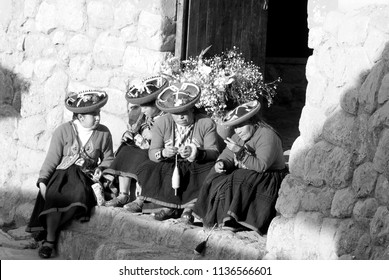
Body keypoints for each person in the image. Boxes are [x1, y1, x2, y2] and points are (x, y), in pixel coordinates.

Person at [25, 90, 114, 258]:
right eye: (93, 115)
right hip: (61, 177)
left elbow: (109, 158)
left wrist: (100, 169)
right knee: (54, 197)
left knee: (78, 197)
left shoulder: (103, 133)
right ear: (80, 117)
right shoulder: (63, 131)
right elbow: (52, 158)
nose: (98, 118)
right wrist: (43, 180)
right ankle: (50, 241)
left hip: (84, 178)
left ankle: (49, 238)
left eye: (98, 113)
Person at [125, 82, 219, 224]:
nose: (181, 117)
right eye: (176, 113)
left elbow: (214, 152)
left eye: (185, 112)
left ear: (192, 109)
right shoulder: (162, 122)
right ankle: (166, 207)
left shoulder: (206, 123)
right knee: (148, 167)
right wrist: (164, 153)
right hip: (170, 162)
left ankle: (190, 208)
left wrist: (196, 152)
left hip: (195, 163)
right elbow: (153, 152)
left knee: (209, 171)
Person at [193, 100, 287, 234]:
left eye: (241, 126)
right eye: (235, 127)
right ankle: (210, 215)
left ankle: (236, 219)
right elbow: (226, 155)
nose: (238, 131)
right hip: (249, 173)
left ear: (252, 122)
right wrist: (222, 163)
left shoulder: (267, 135)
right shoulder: (238, 136)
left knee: (239, 177)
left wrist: (240, 152)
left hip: (268, 178)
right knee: (215, 173)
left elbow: (261, 165)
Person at [103, 76, 168, 208]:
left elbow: (169, 137)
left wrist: (154, 135)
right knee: (125, 150)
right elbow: (135, 130)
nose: (142, 110)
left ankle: (140, 198)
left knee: (143, 158)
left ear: (156, 103)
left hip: (157, 150)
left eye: (145, 107)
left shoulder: (166, 117)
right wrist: (128, 135)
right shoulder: (144, 115)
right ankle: (123, 194)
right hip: (143, 145)